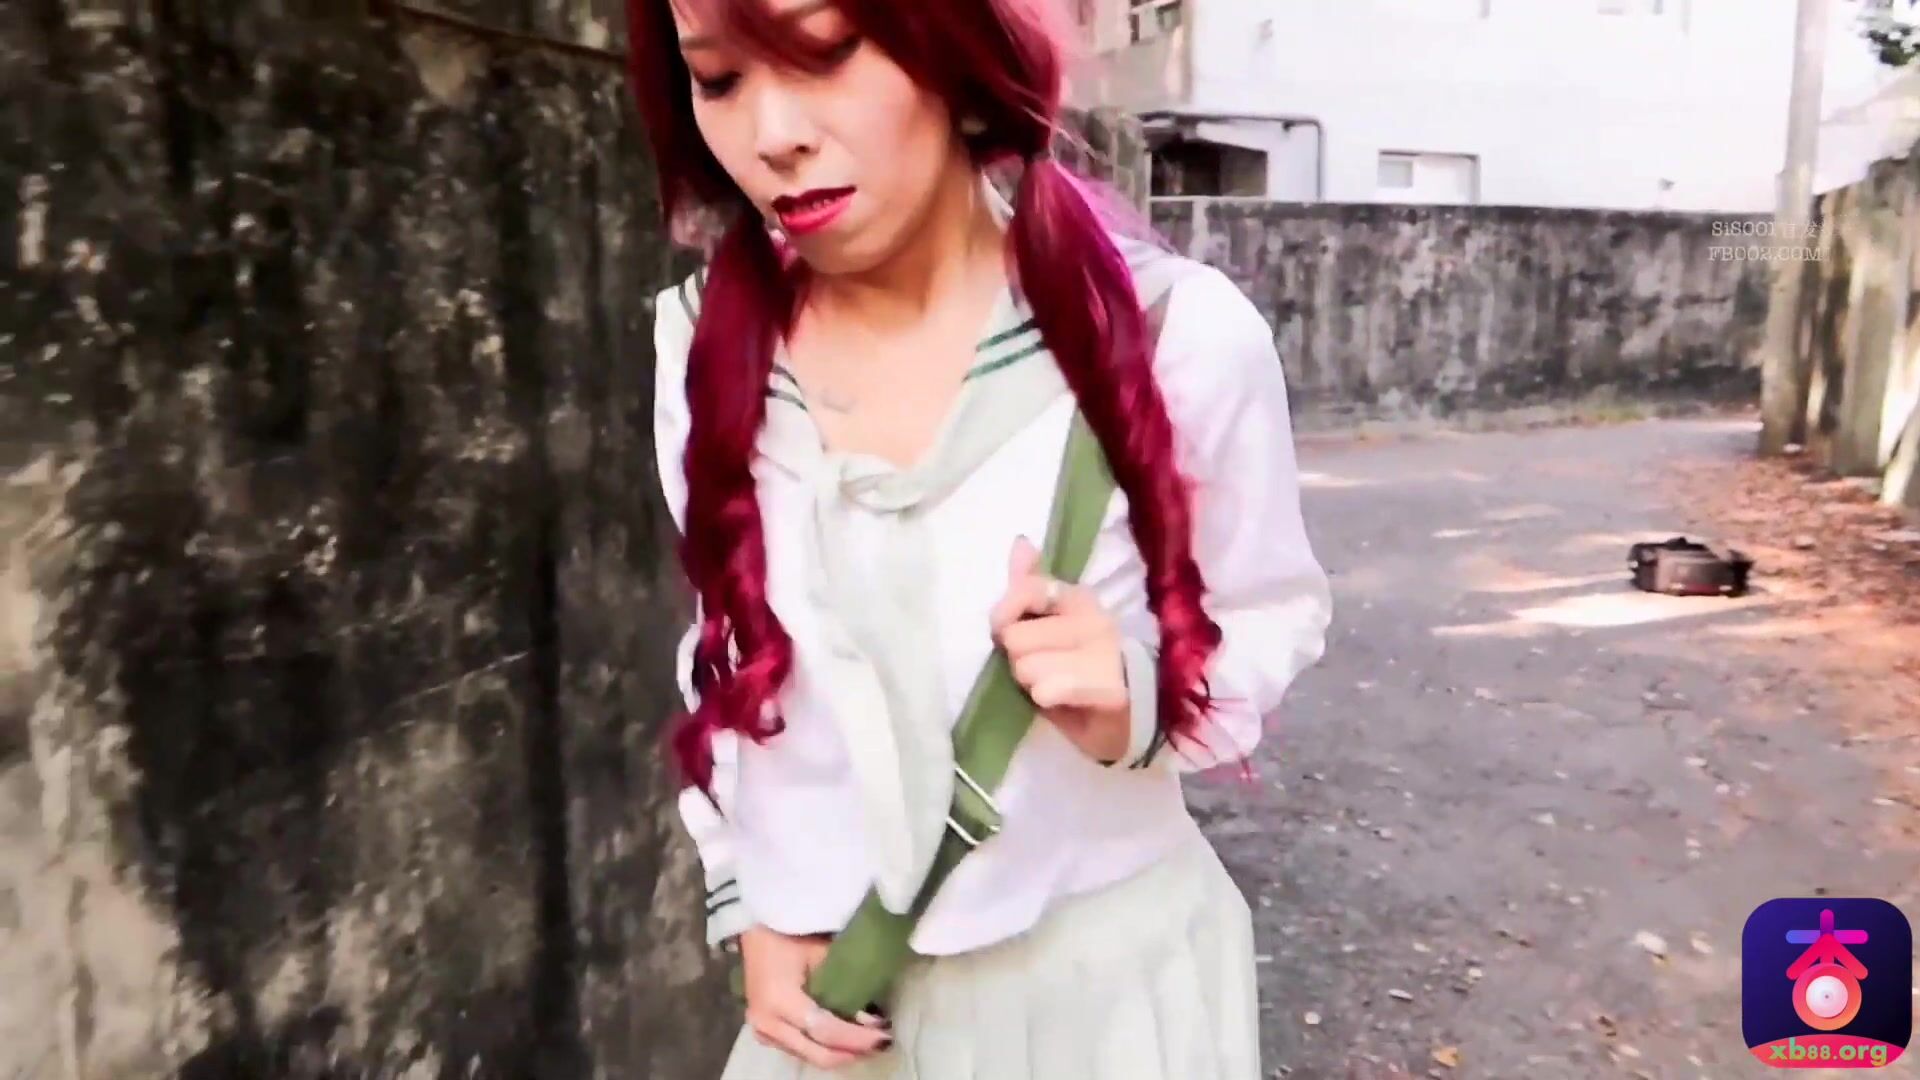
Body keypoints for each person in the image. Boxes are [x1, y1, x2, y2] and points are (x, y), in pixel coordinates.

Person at [626, 0, 1333, 1076]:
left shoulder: (1173, 338)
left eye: (824, 53)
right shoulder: (706, 349)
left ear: (955, 48)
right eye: (719, 80)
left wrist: (1136, 696)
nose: (772, 135)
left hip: (1105, 1009)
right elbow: (726, 650)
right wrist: (751, 897)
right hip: (839, 1015)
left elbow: (1270, 613)